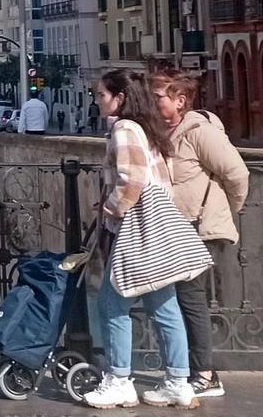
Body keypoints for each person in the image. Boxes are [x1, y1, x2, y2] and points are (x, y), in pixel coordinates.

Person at [84, 69, 197, 410]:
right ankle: (178, 382)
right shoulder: (147, 128)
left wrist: (110, 209)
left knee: (111, 303)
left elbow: (132, 179)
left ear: (119, 98)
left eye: (101, 95)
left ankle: (119, 380)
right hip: (157, 230)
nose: (97, 101)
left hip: (135, 230)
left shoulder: (124, 128)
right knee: (163, 306)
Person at [150, 69, 249, 399]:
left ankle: (203, 374)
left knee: (191, 300)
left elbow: (237, 173)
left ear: (180, 101)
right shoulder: (164, 133)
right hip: (179, 229)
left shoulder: (199, 132)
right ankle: (191, 370)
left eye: (157, 97)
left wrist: (224, 213)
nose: (152, 103)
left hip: (201, 228)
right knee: (180, 300)